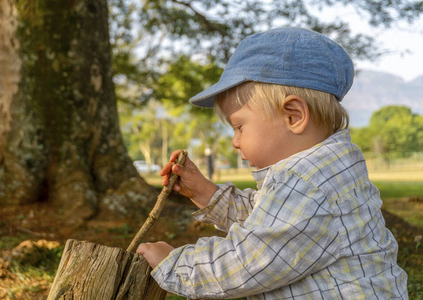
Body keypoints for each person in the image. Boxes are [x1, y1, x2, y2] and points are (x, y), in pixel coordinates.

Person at [136, 27, 408, 299]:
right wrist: (204, 192)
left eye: (239, 127)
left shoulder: (308, 183)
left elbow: (246, 264)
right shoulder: (320, 173)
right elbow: (267, 220)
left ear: (293, 116)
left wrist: (173, 263)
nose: (235, 141)